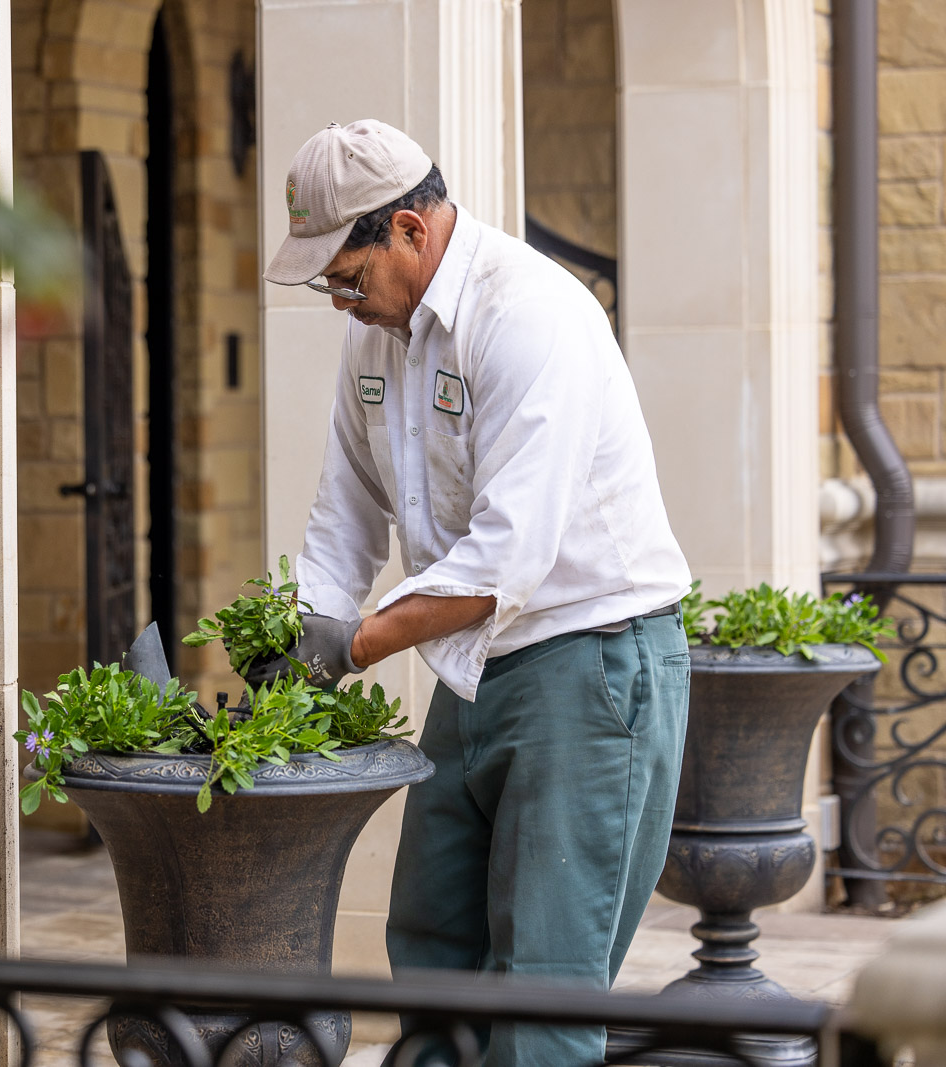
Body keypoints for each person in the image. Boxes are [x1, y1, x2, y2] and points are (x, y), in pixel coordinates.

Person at [249, 119, 693, 1066]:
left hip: (592, 663)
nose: (338, 300)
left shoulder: (531, 312)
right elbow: (347, 510)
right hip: (475, 664)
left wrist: (355, 645)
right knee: (433, 948)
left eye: (343, 275)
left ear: (410, 230)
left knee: (542, 992)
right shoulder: (377, 336)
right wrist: (303, 637)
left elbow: (505, 557)